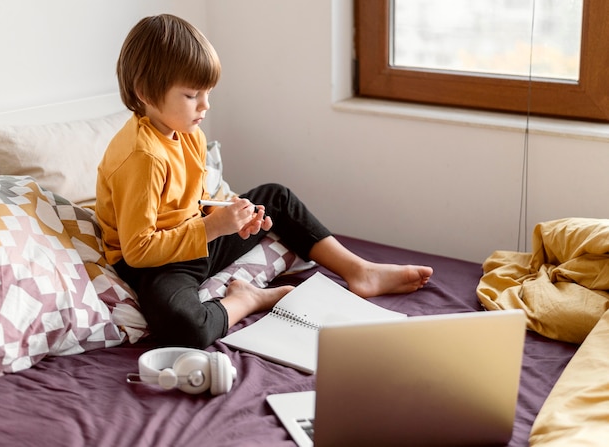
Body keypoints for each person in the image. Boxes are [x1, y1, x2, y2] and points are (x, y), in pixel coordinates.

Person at [95, 14, 433, 349]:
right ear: (145, 92)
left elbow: (188, 204)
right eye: (192, 94)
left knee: (276, 197)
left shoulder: (187, 133)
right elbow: (139, 251)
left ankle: (359, 270)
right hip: (156, 263)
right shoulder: (142, 157)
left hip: (191, 240)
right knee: (185, 328)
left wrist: (234, 217)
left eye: (208, 92)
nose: (205, 105)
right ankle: (247, 299)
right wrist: (213, 228)